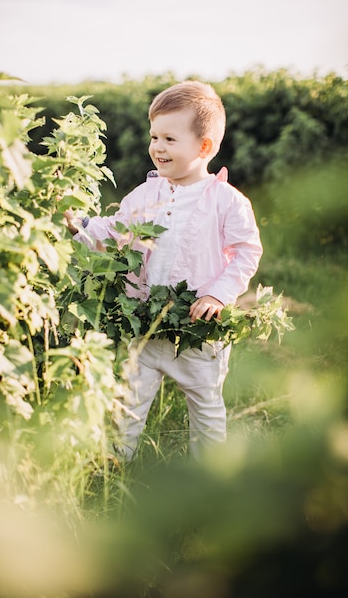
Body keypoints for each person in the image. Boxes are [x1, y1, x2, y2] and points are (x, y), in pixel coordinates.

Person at [64, 80, 263, 461]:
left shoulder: (227, 200)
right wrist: (82, 226)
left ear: (204, 147)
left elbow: (245, 252)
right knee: (129, 400)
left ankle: (209, 474)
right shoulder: (146, 193)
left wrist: (217, 294)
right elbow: (117, 232)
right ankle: (116, 462)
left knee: (205, 403)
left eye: (170, 139)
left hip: (198, 327)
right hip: (145, 321)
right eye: (154, 136)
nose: (157, 147)